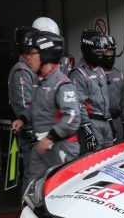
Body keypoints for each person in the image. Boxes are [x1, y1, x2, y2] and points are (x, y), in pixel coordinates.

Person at [16, 31, 80, 189]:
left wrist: (50, 138)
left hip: (62, 148)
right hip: (42, 148)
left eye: (32, 54)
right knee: (32, 188)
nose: (28, 58)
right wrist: (22, 119)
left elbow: (72, 118)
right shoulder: (40, 82)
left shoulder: (62, 84)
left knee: (62, 192)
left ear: (45, 54)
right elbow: (35, 108)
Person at [9, 26, 39, 195]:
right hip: (30, 132)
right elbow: (24, 105)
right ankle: (25, 213)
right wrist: (32, 129)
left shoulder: (32, 67)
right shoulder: (22, 70)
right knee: (31, 176)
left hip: (38, 131)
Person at [71, 30, 113, 151]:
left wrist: (110, 122)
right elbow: (79, 104)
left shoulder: (100, 70)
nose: (100, 55)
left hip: (106, 122)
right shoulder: (78, 73)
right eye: (97, 52)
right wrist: (87, 130)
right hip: (92, 123)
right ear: (88, 51)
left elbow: (105, 98)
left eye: (102, 52)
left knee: (110, 158)